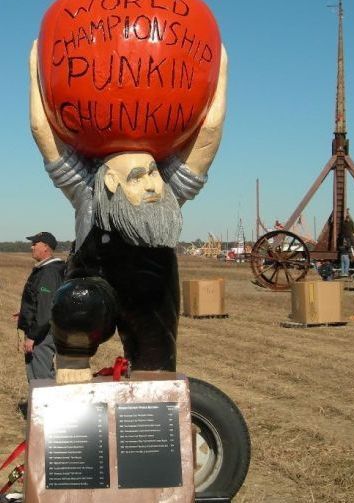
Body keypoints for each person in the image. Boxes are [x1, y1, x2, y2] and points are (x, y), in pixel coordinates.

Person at [29, 38, 228, 382]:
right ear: (111, 185)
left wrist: (219, 68)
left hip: (152, 302)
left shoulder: (165, 198)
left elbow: (208, 133)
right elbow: (43, 133)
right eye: (139, 178)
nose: (153, 185)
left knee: (156, 374)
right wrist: (36, 72)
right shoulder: (88, 195)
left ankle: (153, 390)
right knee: (78, 298)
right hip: (95, 296)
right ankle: (74, 359)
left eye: (153, 174)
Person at [17, 232, 65, 381]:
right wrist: (24, 312)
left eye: (35, 244)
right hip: (44, 331)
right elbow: (41, 301)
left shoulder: (48, 273)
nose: (31, 247)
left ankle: (45, 404)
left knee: (40, 377)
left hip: (43, 335)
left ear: (45, 247)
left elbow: (46, 310)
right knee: (39, 374)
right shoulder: (47, 269)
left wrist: (32, 336)